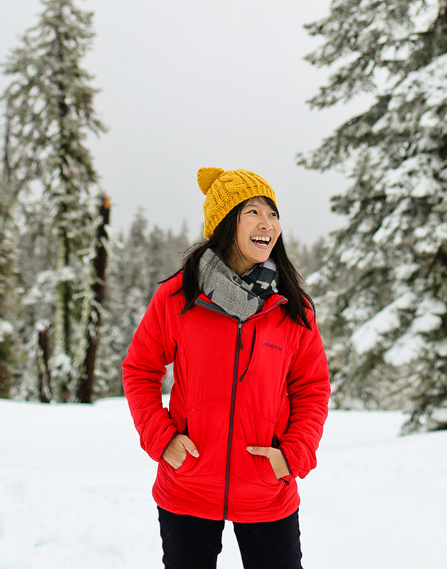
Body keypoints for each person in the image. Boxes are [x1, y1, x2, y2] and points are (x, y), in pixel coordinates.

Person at [122, 166, 330, 569]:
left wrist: (293, 455)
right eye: (253, 211)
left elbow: (312, 387)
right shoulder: (177, 297)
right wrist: (163, 440)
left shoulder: (291, 307)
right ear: (224, 222)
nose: (267, 223)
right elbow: (140, 369)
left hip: (267, 488)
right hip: (188, 484)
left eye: (273, 213)